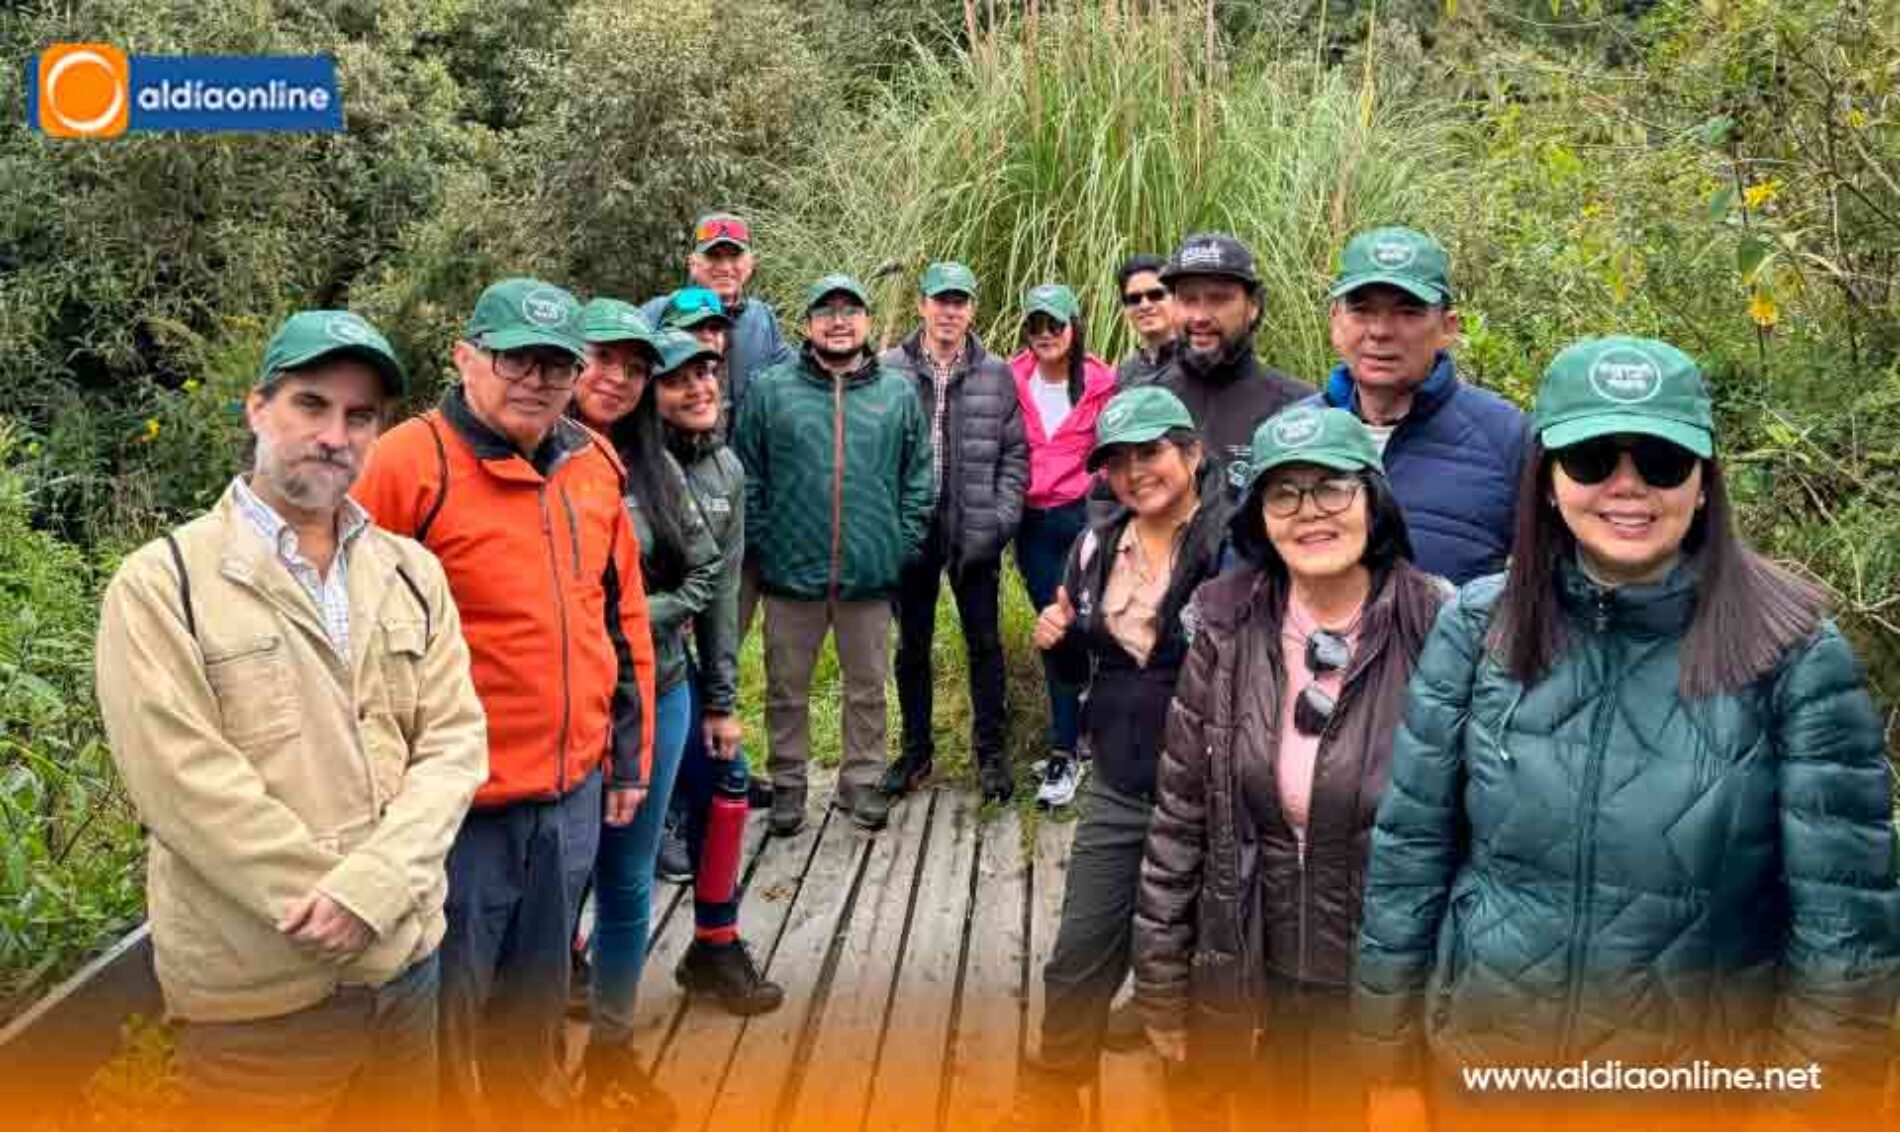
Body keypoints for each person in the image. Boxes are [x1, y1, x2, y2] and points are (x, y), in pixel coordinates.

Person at [1352, 337, 1899, 1132]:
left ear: (1704, 484)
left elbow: (1845, 940)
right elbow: (1409, 860)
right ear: (1546, 480)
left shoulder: (1793, 656)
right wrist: (1388, 1075)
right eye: (1591, 458)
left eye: (1663, 462)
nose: (1627, 485)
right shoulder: (1478, 627)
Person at [95, 311, 488, 1131]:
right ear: (257, 407)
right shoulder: (164, 585)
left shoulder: (412, 574)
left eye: (359, 416)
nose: (334, 435)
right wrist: (335, 906)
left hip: (408, 968)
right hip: (257, 998)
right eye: (311, 405)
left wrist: (376, 892)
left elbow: (454, 745)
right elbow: (183, 782)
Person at [352, 279, 659, 1124]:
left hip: (570, 796)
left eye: (556, 365)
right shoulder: (404, 466)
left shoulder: (593, 464)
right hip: (456, 813)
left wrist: (628, 755)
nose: (536, 380)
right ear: (465, 357)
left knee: (536, 1010)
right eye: (516, 359)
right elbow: (343, 636)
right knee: (442, 1023)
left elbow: (620, 614)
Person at [1134, 407, 1451, 1132]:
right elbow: (1181, 814)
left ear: (1373, 499)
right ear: (1259, 518)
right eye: (1284, 493)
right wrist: (1160, 979)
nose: (1309, 511)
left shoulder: (1438, 626)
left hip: (1385, 988)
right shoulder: (1225, 627)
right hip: (1254, 970)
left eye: (1332, 487)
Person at [1004, 387, 1230, 1127]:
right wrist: (1059, 642)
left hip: (1213, 795)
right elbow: (1082, 672)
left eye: (1151, 453)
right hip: (1121, 782)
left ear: (1191, 453)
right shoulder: (1096, 544)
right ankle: (1051, 1097)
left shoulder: (1235, 546)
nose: (1136, 473)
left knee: (1200, 966)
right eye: (1119, 461)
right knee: (1078, 954)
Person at [566, 299, 733, 1120]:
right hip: (559, 702)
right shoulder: (533, 459)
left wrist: (631, 620)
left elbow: (706, 572)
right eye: (604, 360)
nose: (618, 379)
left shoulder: (656, 468)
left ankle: (611, 1047)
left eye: (635, 369)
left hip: (657, 690)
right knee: (550, 877)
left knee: (628, 876)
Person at [733, 274, 933, 836]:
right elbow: (748, 475)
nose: (839, 321)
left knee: (868, 687)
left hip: (869, 574)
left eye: (850, 311)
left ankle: (861, 782)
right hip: (789, 575)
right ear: (808, 324)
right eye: (826, 311)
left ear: (867, 322)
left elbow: (919, 477)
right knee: (785, 688)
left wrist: (899, 543)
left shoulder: (897, 392)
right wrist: (767, 541)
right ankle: (789, 785)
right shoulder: (772, 390)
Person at [647, 328, 786, 1016]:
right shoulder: (620, 461)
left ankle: (714, 944)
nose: (698, 388)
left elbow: (723, 598)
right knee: (602, 813)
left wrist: (722, 704)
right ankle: (568, 955)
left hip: (678, 669)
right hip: (609, 671)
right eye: (678, 379)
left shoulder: (726, 470)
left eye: (706, 374)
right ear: (650, 393)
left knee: (728, 779)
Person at [879, 261, 1029, 805]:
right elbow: (874, 453)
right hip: (911, 534)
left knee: (984, 645)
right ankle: (916, 752)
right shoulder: (889, 369)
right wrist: (889, 525)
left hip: (975, 533)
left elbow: (1015, 455)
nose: (949, 311)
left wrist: (999, 521)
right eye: (940, 300)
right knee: (911, 647)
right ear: (922, 304)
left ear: (972, 309)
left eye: (959, 301)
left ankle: (991, 755)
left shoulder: (996, 373)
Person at [1313, 226, 1529, 584]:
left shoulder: (1506, 437)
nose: (1380, 331)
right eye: (1361, 310)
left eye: (1407, 312)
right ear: (1335, 320)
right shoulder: (1294, 432)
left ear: (1448, 327)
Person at [1009, 282, 1118, 809]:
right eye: (1036, 324)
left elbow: (1115, 453)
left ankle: (1072, 745)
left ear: (1074, 327)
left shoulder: (1101, 381)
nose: (1046, 333)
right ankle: (1070, 742)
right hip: (1031, 522)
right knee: (1054, 629)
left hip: (1082, 520)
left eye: (1055, 323)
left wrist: (1102, 508)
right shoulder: (1011, 377)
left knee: (1078, 627)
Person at [1153, 232, 1312, 502]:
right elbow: (1110, 506)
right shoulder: (1146, 401)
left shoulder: (1298, 408)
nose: (1200, 317)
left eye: (1218, 299)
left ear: (1253, 306)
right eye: (1188, 299)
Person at [640, 211, 793, 424]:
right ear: (693, 263)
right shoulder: (659, 311)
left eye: (734, 256)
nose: (725, 267)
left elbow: (792, 374)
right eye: (714, 256)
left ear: (750, 264)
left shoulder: (762, 318)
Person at [1113, 253, 1177, 388]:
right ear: (1125, 309)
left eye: (1155, 295)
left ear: (1176, 298)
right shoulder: (1126, 373)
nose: (1145, 305)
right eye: (1134, 299)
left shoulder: (1199, 364)